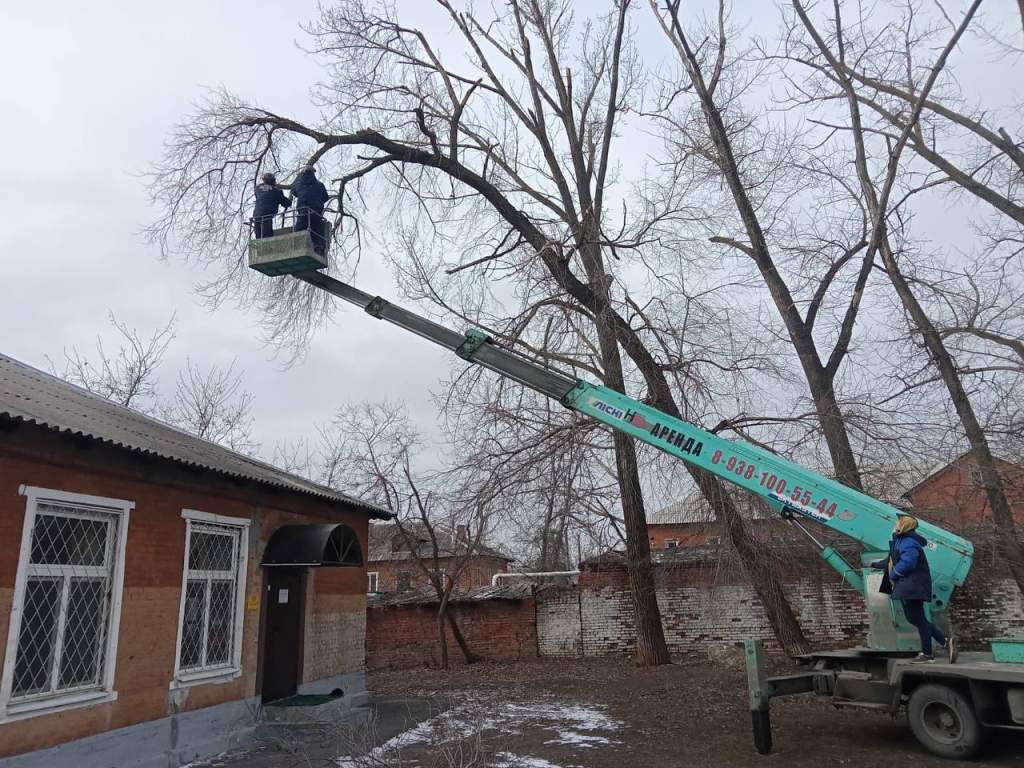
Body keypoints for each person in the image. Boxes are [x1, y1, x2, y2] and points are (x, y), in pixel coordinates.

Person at [871, 515, 957, 663]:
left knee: (918, 619)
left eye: (898, 522)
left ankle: (928, 654)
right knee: (914, 618)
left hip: (912, 586)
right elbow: (891, 559)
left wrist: (894, 574)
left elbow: (908, 562)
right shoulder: (899, 541)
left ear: (903, 526)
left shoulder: (908, 542)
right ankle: (944, 641)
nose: (895, 524)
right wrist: (875, 565)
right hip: (908, 585)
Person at [291, 165, 330, 255]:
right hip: (316, 211)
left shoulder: (298, 184)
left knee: (300, 229)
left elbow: (294, 192)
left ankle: (297, 247)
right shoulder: (320, 185)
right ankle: (319, 248)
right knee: (317, 229)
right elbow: (325, 197)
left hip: (303, 211)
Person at [252, 173, 291, 238]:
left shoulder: (257, 188)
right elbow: (285, 203)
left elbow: (261, 195)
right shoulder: (276, 191)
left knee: (258, 238)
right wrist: (289, 201)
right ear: (273, 181)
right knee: (267, 236)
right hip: (267, 215)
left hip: (257, 215)